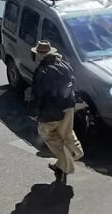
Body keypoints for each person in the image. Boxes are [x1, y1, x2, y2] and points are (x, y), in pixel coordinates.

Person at [30, 40, 84, 185]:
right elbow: (73, 81)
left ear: (40, 55)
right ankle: (76, 151)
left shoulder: (42, 71)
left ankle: (66, 163)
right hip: (69, 105)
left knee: (47, 134)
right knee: (66, 131)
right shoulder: (64, 64)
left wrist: (34, 110)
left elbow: (38, 94)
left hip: (52, 110)